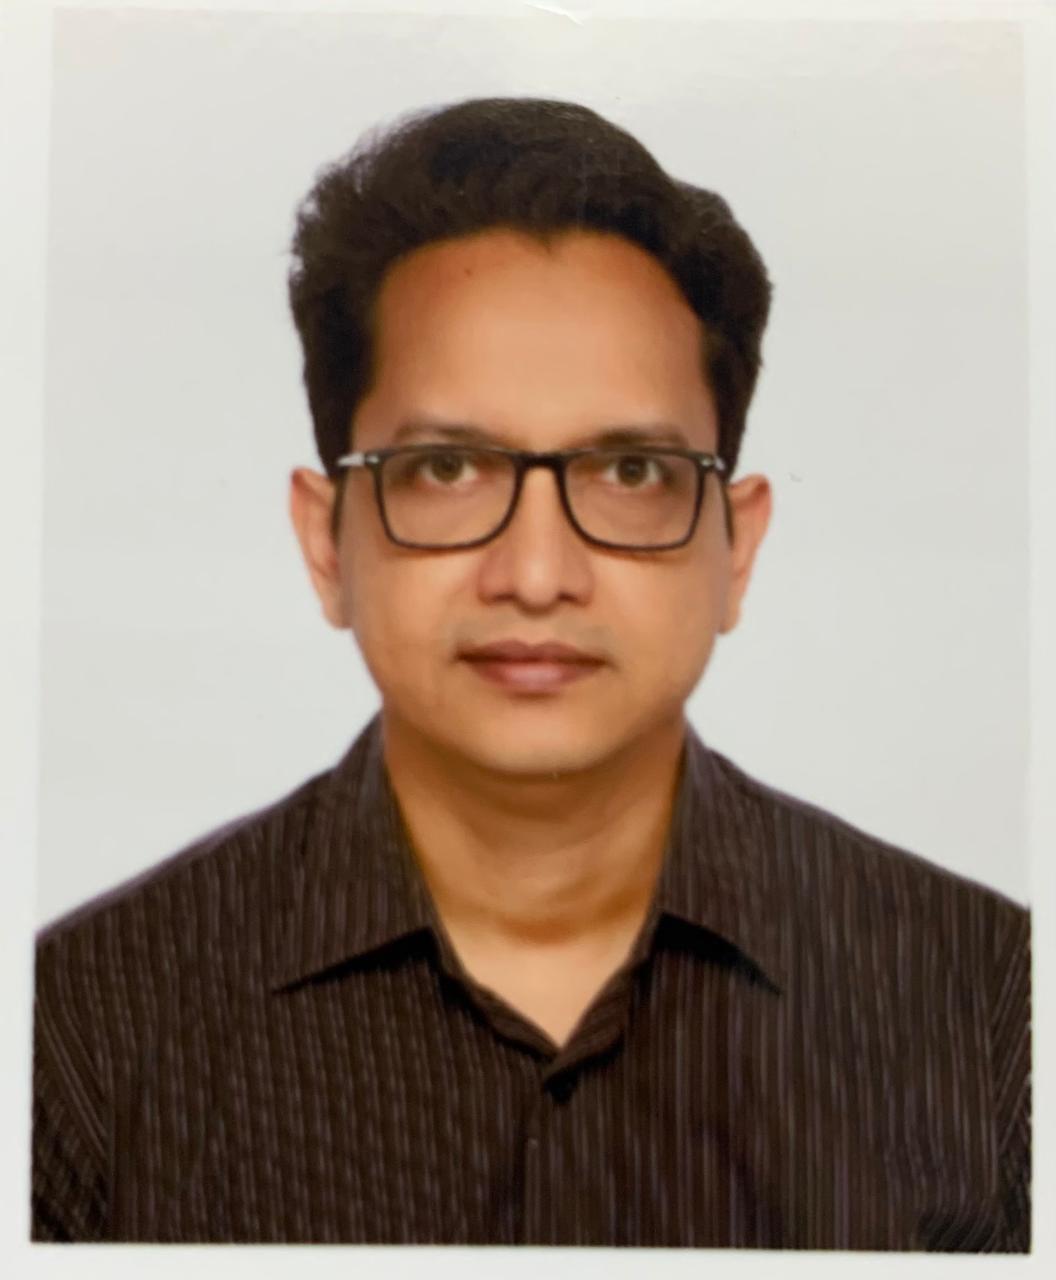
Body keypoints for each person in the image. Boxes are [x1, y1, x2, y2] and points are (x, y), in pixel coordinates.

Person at [31, 97, 1030, 1249]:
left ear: (738, 547)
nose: (538, 573)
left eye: (633, 472)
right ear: (327, 541)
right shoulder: (76, 1038)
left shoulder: (995, 1014)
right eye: (448, 468)